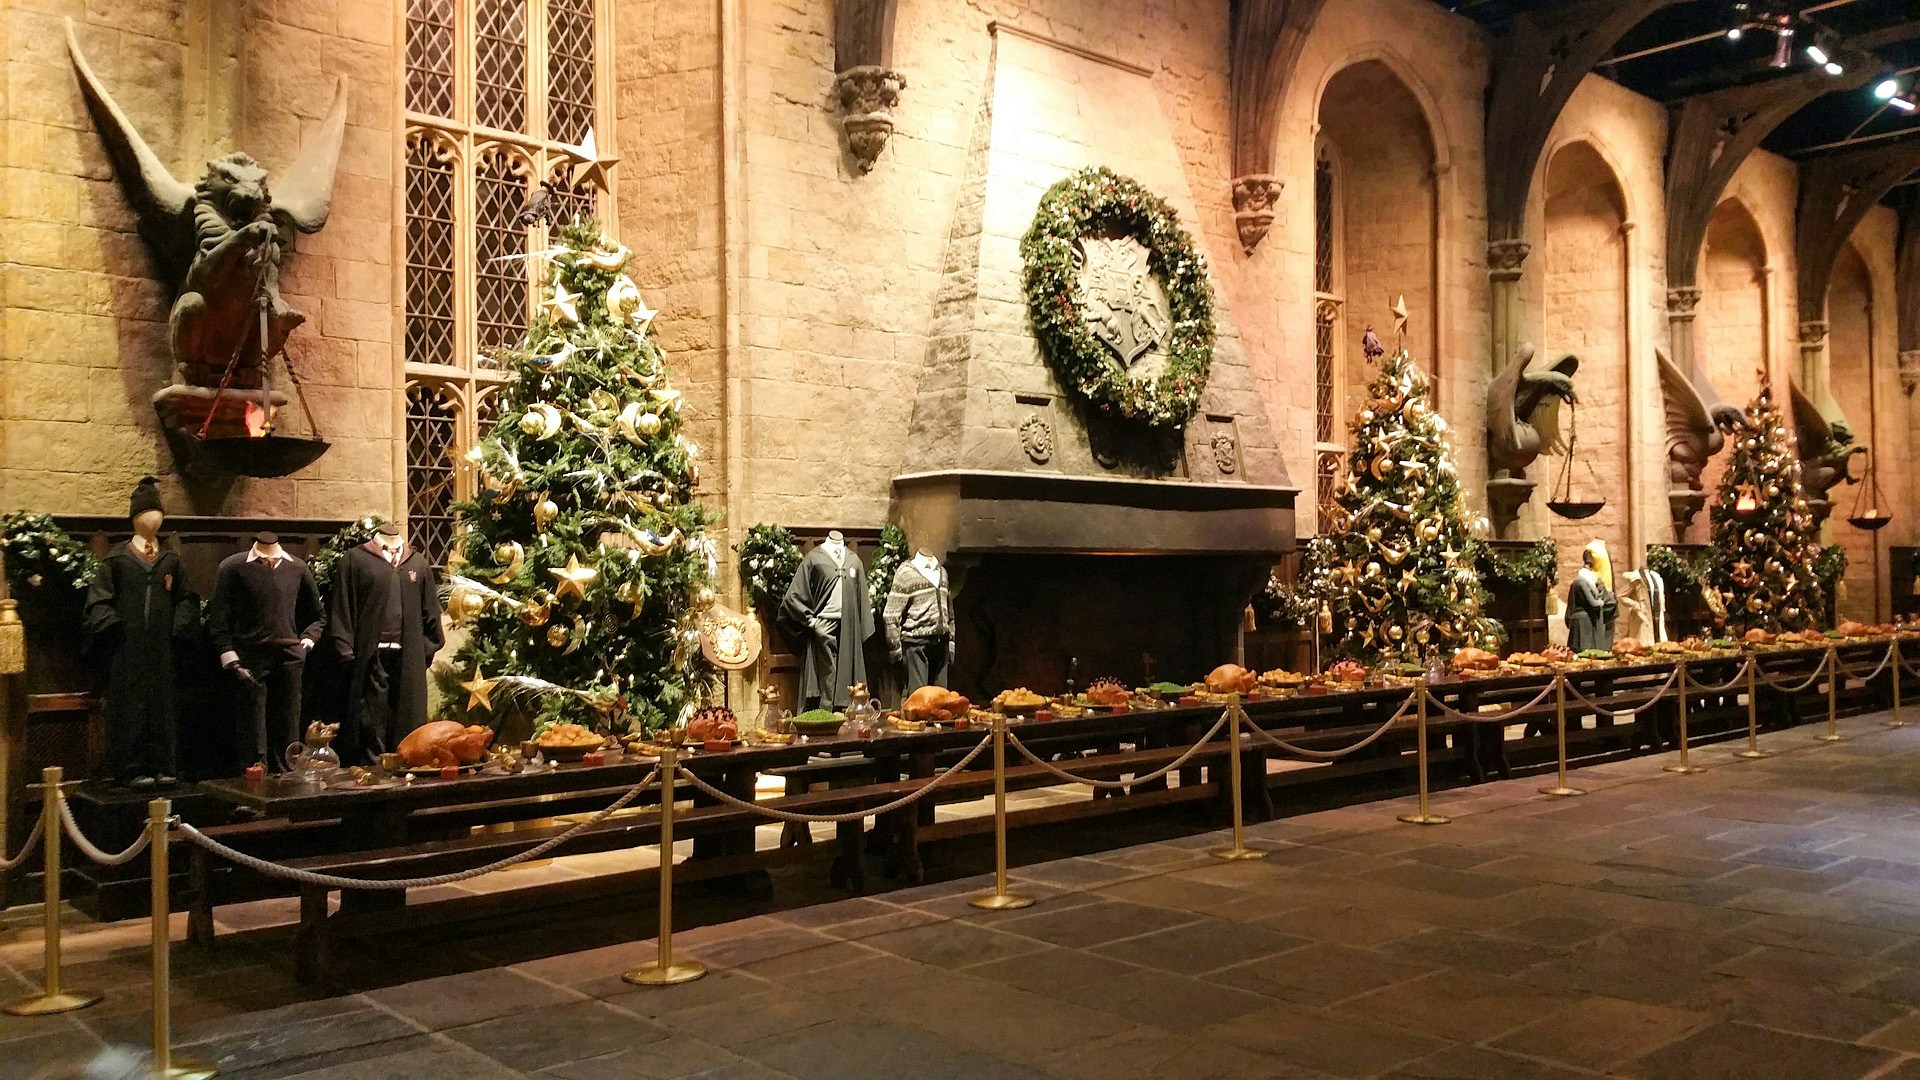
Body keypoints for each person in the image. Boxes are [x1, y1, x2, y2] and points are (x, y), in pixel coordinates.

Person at [85, 476, 195, 788]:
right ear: (135, 518)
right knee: (129, 707)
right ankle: (130, 768)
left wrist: (179, 627)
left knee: (162, 707)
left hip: (162, 649)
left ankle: (162, 765)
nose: (154, 520)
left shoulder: (170, 560)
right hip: (127, 649)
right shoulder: (117, 559)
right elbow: (99, 600)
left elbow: (187, 598)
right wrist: (114, 627)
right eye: (147, 514)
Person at [325, 521, 443, 763]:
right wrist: (345, 648)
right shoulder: (356, 559)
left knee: (407, 713)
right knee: (370, 714)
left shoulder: (417, 563)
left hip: (407, 654)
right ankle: (374, 766)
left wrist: (423, 650)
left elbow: (430, 611)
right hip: (371, 654)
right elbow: (342, 607)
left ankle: (407, 763)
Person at [206, 532, 325, 773]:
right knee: (252, 726)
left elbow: (318, 615)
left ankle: (286, 781)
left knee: (289, 722)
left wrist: (307, 642)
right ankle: (253, 786)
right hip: (250, 656)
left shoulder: (297, 567)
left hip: (289, 656)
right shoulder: (233, 567)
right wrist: (230, 656)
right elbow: (218, 618)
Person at [779, 531, 872, 711]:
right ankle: (823, 712)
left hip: (848, 625)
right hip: (823, 623)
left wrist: (859, 630)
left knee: (847, 671)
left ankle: (844, 712)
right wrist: (811, 621)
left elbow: (862, 599)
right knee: (825, 672)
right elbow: (793, 596)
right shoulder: (814, 558)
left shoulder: (854, 561)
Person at [884, 548, 955, 697]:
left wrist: (951, 645)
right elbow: (891, 615)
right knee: (919, 699)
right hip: (915, 644)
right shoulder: (905, 573)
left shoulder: (942, 572)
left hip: (941, 646)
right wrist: (896, 652)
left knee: (942, 700)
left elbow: (950, 614)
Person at [1566, 545, 1617, 653]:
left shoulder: (1589, 579)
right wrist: (1602, 601)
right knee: (1584, 651)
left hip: (1589, 620)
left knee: (1590, 652)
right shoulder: (1581, 581)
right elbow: (1593, 603)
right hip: (1583, 623)